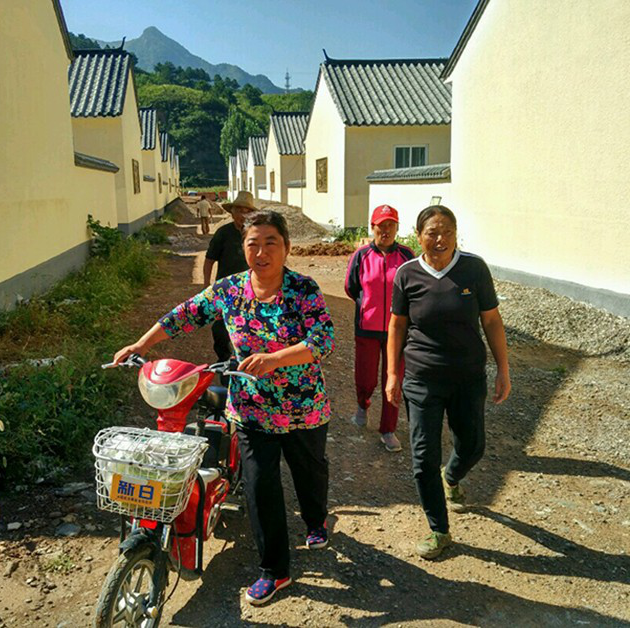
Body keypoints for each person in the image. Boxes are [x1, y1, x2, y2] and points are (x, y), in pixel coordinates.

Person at [113, 210, 335, 606]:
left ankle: (315, 520)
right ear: (243, 248)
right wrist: (142, 344)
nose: (261, 252)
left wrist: (274, 359)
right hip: (250, 409)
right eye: (253, 244)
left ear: (286, 247)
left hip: (302, 407)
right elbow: (184, 315)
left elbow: (323, 341)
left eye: (270, 243)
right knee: (260, 487)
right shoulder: (230, 289)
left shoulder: (303, 289)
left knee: (309, 472)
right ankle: (275, 571)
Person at [385, 205, 511, 560]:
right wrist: (393, 373)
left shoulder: (474, 268)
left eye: (447, 232)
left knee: (473, 446)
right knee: (423, 456)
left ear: (456, 234)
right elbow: (397, 324)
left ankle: (452, 477)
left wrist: (503, 368)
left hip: (467, 377)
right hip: (422, 378)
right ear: (418, 235)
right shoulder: (407, 274)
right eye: (432, 233)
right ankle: (438, 529)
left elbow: (491, 321)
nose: (440, 239)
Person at [344, 204, 414, 452]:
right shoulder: (361, 256)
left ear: (397, 227)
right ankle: (362, 405)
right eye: (381, 225)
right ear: (372, 227)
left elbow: (414, 288)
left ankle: (388, 429)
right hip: (368, 327)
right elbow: (351, 287)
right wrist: (368, 306)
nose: (386, 230)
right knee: (366, 377)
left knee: (393, 379)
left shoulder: (407, 256)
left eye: (390, 225)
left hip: (398, 330)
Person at [202, 190, 255, 361]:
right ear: (232, 212)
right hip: (226, 290)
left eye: (247, 211)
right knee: (220, 330)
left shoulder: (256, 234)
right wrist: (206, 284)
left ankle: (246, 362)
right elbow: (209, 259)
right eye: (239, 210)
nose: (243, 215)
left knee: (250, 327)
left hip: (251, 290)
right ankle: (224, 361)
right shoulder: (223, 233)